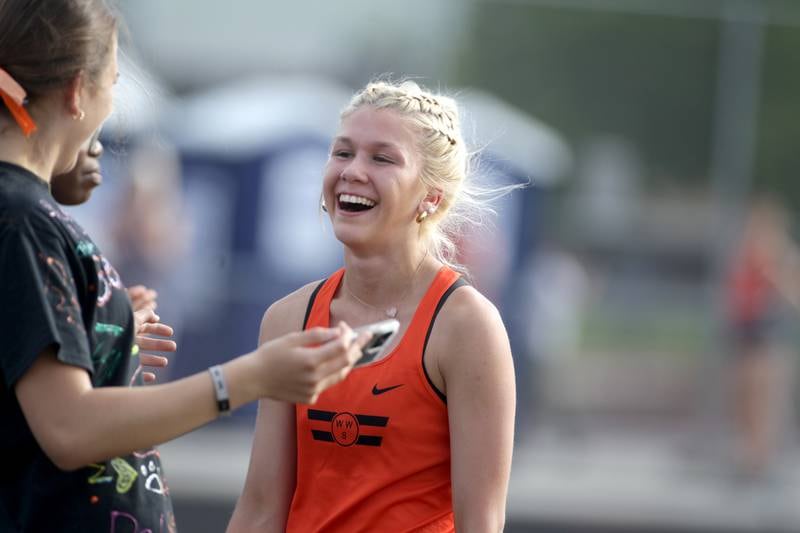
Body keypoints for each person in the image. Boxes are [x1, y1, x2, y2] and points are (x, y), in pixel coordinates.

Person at [0, 2, 368, 531]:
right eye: (114, 85)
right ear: (79, 92)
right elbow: (68, 429)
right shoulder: (20, 219)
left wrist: (108, 340)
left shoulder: (27, 214)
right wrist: (251, 376)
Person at [228, 80, 517, 532]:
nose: (352, 171)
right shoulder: (288, 319)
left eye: (381, 158)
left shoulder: (466, 326)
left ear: (431, 197)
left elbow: (481, 522)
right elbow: (262, 508)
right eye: (342, 153)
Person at [725, 195, 800, 479]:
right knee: (742, 397)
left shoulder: (783, 257)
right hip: (746, 336)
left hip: (770, 339)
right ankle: (747, 454)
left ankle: (762, 457)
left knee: (764, 398)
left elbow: (793, 297)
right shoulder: (746, 255)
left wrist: (776, 278)